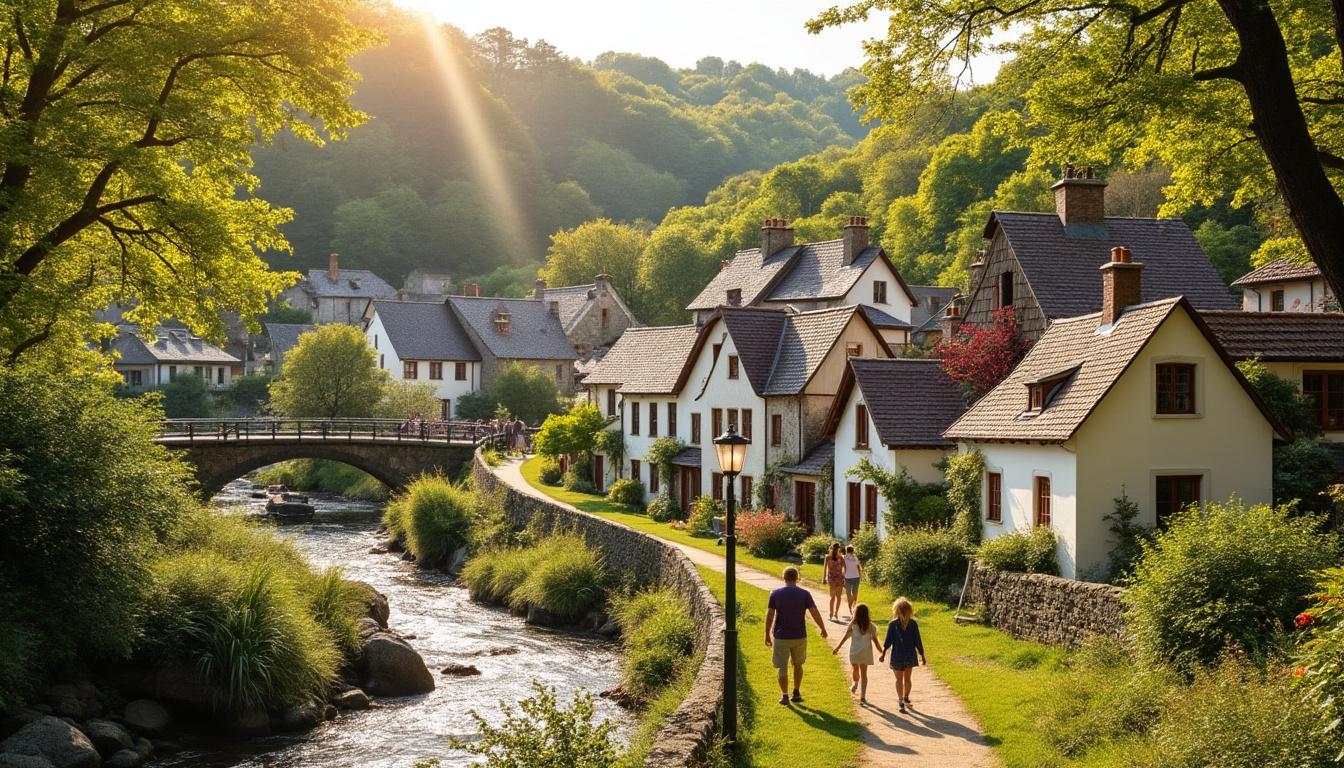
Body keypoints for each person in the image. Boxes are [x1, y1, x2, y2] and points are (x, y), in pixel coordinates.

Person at [764, 566, 828, 705]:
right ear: (797, 578)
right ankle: (796, 692)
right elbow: (814, 612)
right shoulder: (805, 594)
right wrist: (822, 628)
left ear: (784, 577)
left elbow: (770, 615)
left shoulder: (775, 594)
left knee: (782, 666)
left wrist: (767, 634)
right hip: (799, 635)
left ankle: (785, 695)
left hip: (781, 635)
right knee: (798, 664)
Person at [878, 597, 925, 713]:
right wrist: (922, 655)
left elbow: (887, 641)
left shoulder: (893, 624)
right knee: (907, 679)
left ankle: (901, 701)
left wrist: (883, 654)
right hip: (908, 654)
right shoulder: (912, 624)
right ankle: (905, 698)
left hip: (898, 655)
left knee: (899, 679)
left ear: (896, 610)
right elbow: (917, 641)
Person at [832, 603, 882, 705]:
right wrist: (882, 652)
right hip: (865, 652)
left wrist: (837, 648)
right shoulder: (866, 625)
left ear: (856, 613)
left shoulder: (857, 625)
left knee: (856, 669)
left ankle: (857, 687)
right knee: (862, 673)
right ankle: (861, 693)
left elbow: (845, 637)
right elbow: (875, 641)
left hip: (855, 651)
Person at [823, 542, 845, 621]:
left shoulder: (828, 557)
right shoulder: (841, 558)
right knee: (838, 597)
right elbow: (844, 569)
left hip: (832, 579)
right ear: (839, 549)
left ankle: (831, 613)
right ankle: (835, 613)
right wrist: (844, 578)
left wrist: (824, 578)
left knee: (832, 597)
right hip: (838, 579)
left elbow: (825, 569)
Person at [843, 545, 863, 616]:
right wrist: (860, 575)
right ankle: (854, 607)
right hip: (856, 577)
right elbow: (858, 567)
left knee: (848, 593)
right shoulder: (855, 557)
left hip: (847, 577)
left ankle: (850, 608)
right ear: (853, 550)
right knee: (855, 593)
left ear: (846, 550)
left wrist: (842, 576)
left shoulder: (844, 557)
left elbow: (843, 567)